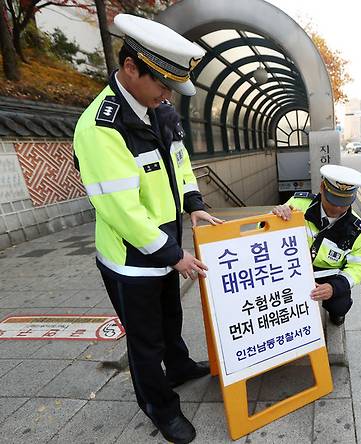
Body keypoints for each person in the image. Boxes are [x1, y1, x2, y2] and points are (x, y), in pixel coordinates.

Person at [73, 14, 222, 444]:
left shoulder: (161, 110)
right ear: (131, 68)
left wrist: (193, 205)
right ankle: (160, 407)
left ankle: (178, 368)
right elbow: (121, 211)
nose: (165, 95)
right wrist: (174, 255)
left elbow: (180, 165)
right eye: (161, 84)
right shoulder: (101, 127)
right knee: (144, 343)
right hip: (131, 260)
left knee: (171, 320)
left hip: (165, 248)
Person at [272, 165, 361, 326]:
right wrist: (274, 217)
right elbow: (262, 234)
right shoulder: (298, 203)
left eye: (344, 202)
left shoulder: (357, 230)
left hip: (327, 274)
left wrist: (334, 287)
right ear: (322, 188)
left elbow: (357, 267)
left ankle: (336, 313)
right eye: (333, 200)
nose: (337, 208)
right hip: (293, 268)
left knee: (340, 305)